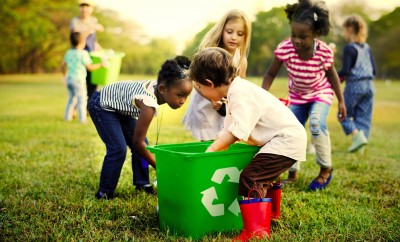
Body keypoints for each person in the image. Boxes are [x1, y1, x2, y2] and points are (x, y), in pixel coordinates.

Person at [190, 47, 307, 241]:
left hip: (285, 141)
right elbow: (230, 127)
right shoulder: (237, 90)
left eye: (199, 88)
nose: (200, 92)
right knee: (265, 175)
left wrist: (211, 150)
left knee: (252, 177)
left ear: (209, 83)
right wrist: (219, 142)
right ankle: (271, 217)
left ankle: (256, 232)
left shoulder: (240, 94)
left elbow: (236, 132)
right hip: (284, 139)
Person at [262, 0, 347, 190]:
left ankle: (326, 169)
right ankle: (292, 172)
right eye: (293, 35)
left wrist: (341, 101)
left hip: (320, 93)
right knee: (291, 130)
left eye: (303, 36)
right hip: (298, 96)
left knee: (316, 124)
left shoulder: (323, 52)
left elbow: (332, 76)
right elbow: (269, 74)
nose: (297, 40)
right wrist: (263, 96)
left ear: (316, 34)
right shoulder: (285, 49)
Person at [87, 56, 193, 199]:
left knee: (144, 146)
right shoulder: (148, 103)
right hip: (101, 104)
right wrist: (158, 166)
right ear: (162, 89)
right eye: (180, 95)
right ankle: (104, 192)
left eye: (186, 96)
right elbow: (138, 142)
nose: (182, 101)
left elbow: (140, 143)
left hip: (119, 108)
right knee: (118, 149)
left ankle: (142, 183)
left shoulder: (163, 85)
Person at [182, 9, 251, 141]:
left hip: (225, 107)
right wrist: (212, 99)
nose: (234, 37)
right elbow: (196, 82)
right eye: (229, 32)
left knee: (224, 137)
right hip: (205, 103)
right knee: (208, 139)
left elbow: (240, 88)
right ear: (222, 30)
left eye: (240, 34)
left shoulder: (241, 60)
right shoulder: (209, 53)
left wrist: (226, 103)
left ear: (245, 37)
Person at [338, 15, 376, 153]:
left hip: (355, 85)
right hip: (370, 86)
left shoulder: (349, 48)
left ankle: (356, 136)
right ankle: (361, 147)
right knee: (363, 117)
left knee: (343, 114)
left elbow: (345, 71)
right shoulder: (367, 47)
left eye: (344, 30)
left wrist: (331, 74)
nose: (344, 33)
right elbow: (375, 70)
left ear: (349, 29)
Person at [62, 32, 106, 123]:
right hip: (79, 80)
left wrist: (64, 75)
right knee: (82, 99)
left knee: (71, 99)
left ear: (71, 42)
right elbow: (90, 67)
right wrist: (101, 64)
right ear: (83, 42)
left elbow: (63, 65)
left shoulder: (69, 53)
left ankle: (67, 117)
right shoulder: (83, 54)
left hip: (70, 79)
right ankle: (82, 119)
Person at [71, 0, 104, 101]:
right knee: (79, 83)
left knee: (92, 84)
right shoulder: (75, 21)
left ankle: (89, 108)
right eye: (82, 6)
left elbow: (92, 41)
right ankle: (75, 108)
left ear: (91, 9)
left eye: (87, 6)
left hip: (91, 55)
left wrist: (103, 51)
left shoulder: (93, 20)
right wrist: (90, 29)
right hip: (79, 56)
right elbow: (77, 39)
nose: (84, 9)